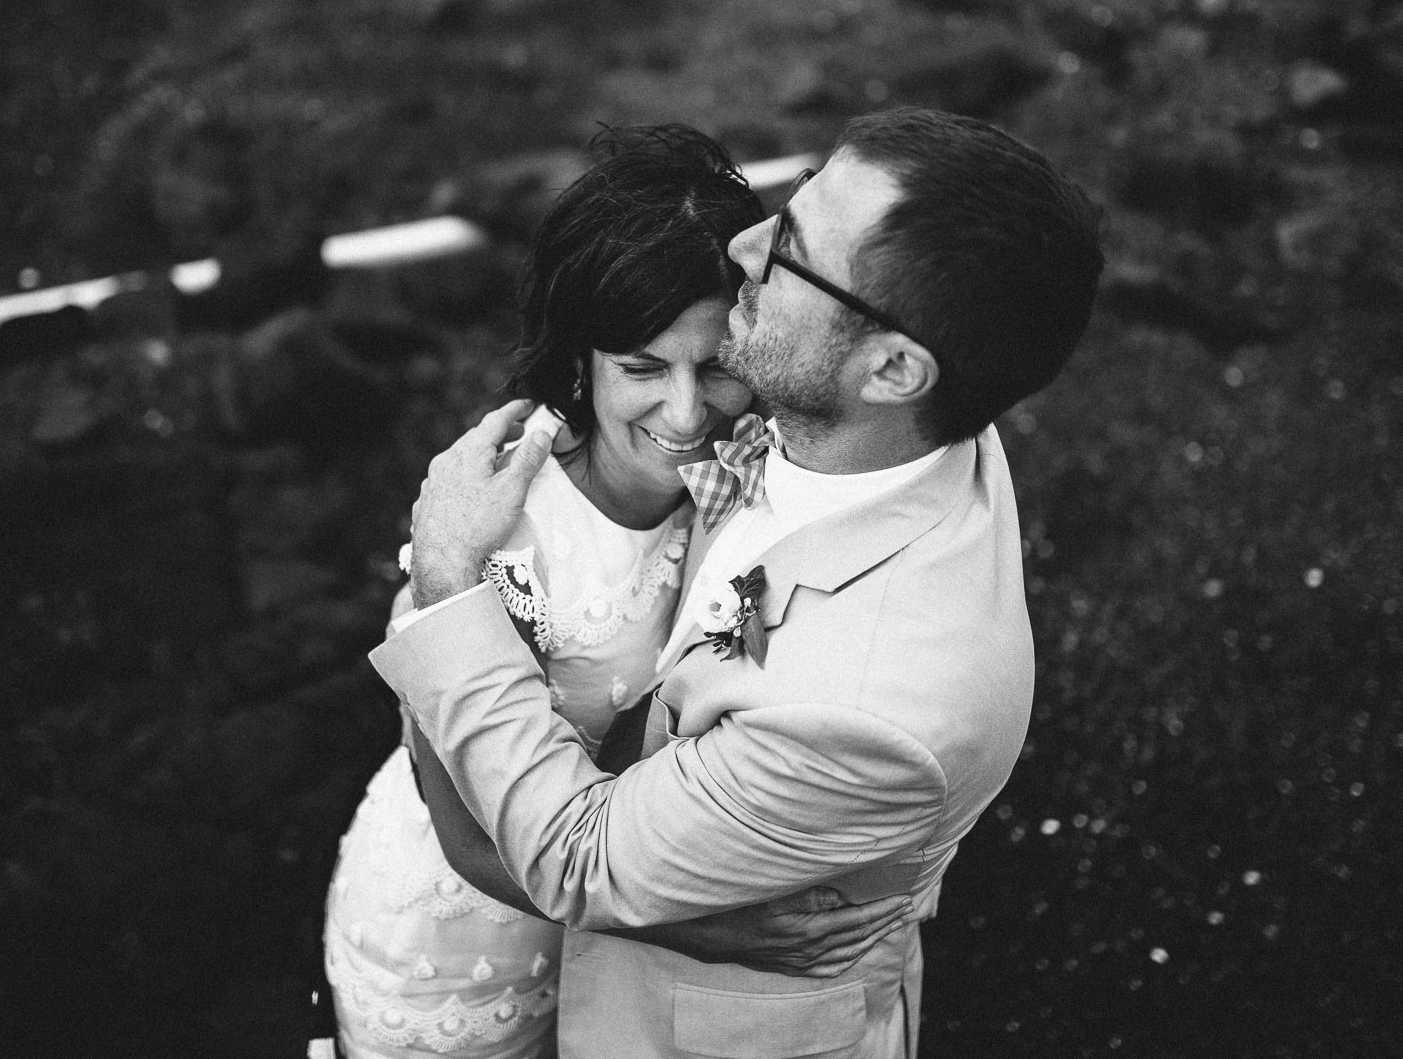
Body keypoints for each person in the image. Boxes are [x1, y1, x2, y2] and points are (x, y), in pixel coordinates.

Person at [372, 106, 1105, 1058]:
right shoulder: (905, 416)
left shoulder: (869, 709)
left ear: (893, 368)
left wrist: (446, 578)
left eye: (793, 249)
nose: (746, 247)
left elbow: (581, 861)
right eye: (789, 204)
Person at [325, 125, 878, 1059]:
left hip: (612, 915)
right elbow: (468, 840)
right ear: (580, 357)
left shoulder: (751, 470)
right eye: (642, 368)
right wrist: (705, 931)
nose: (687, 413)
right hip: (466, 937)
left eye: (718, 366)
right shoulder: (503, 534)